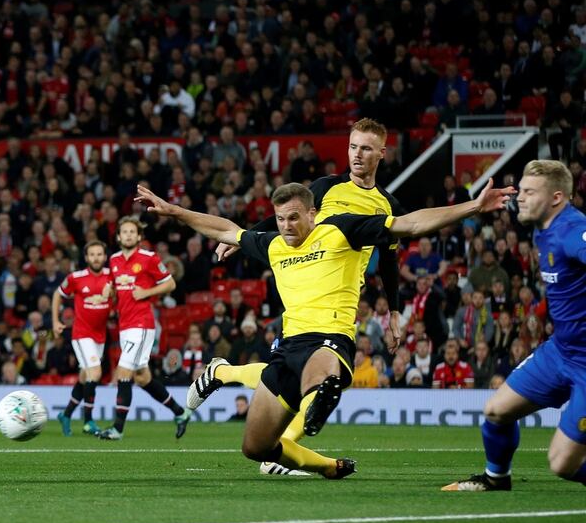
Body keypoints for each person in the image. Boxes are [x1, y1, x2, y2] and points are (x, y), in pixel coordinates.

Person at [136, 177, 513, 479]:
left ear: (312, 213)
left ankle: (321, 393)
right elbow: (224, 229)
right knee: (255, 448)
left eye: (294, 218)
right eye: (281, 219)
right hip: (287, 349)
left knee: (322, 373)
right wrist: (173, 212)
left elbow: (410, 223)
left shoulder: (341, 230)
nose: (286, 226)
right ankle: (326, 465)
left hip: (330, 339)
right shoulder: (272, 245)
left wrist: (473, 206)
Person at [193, 118, 407, 476]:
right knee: (313, 372)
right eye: (353, 146)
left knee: (306, 373)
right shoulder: (326, 188)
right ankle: (277, 451)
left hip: (345, 290)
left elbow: (389, 258)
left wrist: (395, 311)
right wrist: (240, 239)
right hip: (307, 278)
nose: (357, 155)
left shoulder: (387, 204)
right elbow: (286, 213)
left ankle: (225, 374)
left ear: (381, 154)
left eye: (366, 149)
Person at [444, 160, 586, 491]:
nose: (519, 197)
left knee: (563, 464)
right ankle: (497, 478)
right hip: (560, 351)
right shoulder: (543, 225)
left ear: (556, 197)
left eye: (528, 192)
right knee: (496, 411)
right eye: (520, 190)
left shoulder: (571, 232)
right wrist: (479, 206)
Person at [97, 216, 191, 440]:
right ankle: (181, 413)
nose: (128, 235)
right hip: (125, 324)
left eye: (132, 232)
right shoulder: (115, 260)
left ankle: (117, 429)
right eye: (124, 232)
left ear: (139, 236)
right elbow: (113, 286)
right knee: (142, 377)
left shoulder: (149, 258)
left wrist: (146, 293)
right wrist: (107, 291)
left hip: (142, 324)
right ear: (119, 237)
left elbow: (170, 283)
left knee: (124, 372)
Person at [52, 240, 111, 437]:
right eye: (92, 254)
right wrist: (55, 321)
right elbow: (58, 295)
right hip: (81, 334)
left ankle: (66, 414)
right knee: (95, 372)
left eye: (99, 254)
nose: (96, 258)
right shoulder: (76, 278)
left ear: (104, 256)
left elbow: (117, 300)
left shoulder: (112, 277)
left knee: (86, 377)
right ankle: (88, 421)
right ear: (86, 258)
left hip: (100, 336)